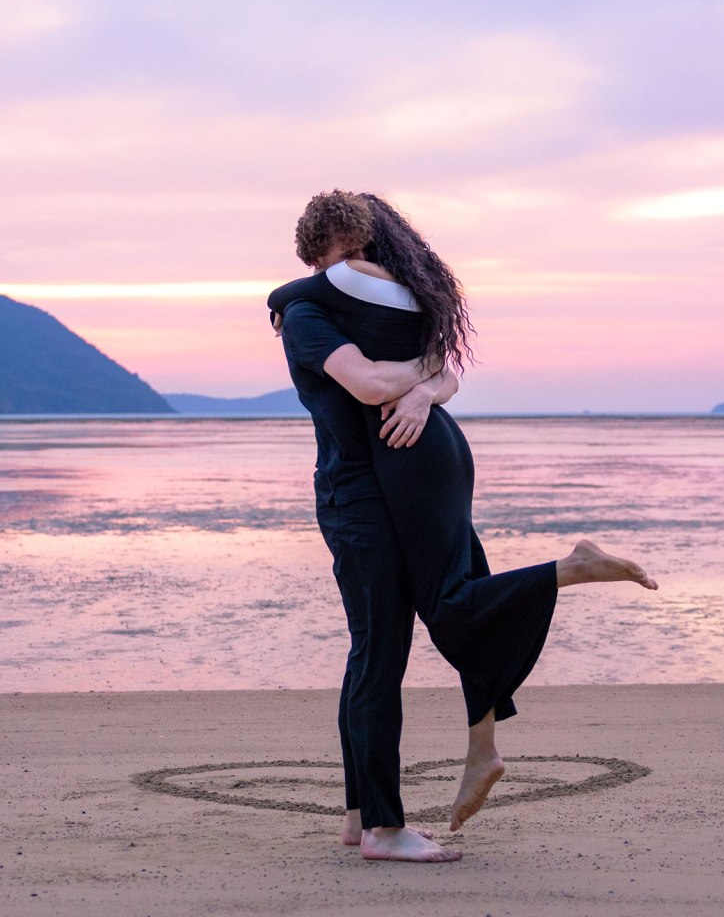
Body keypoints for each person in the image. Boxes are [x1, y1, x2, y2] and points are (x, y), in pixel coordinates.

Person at [270, 191, 656, 863]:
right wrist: (422, 376)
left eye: (355, 253)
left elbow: (432, 378)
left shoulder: (351, 303)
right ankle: (371, 820)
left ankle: (374, 823)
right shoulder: (314, 312)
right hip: (367, 494)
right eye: (343, 257)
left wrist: (423, 389)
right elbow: (378, 383)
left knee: (390, 642)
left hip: (394, 485)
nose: (353, 265)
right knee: (378, 650)